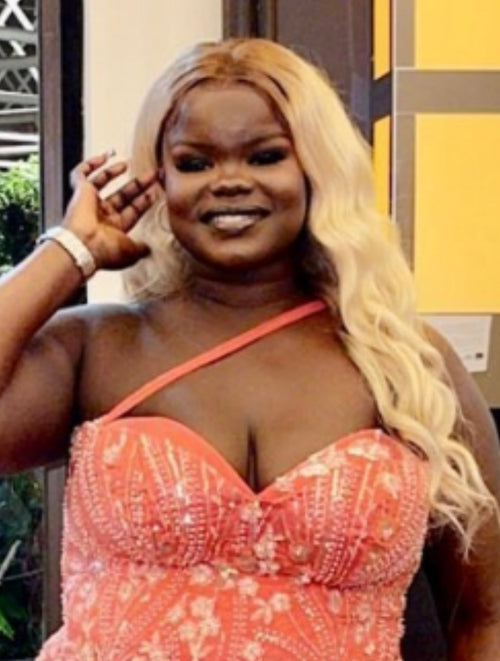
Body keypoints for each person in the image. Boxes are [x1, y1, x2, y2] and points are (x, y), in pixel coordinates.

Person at [0, 38, 499, 661]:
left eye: (265, 156)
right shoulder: (97, 348)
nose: (230, 182)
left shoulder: (407, 364)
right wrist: (70, 250)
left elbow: (486, 615)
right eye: (194, 162)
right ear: (159, 180)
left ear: (315, 169)